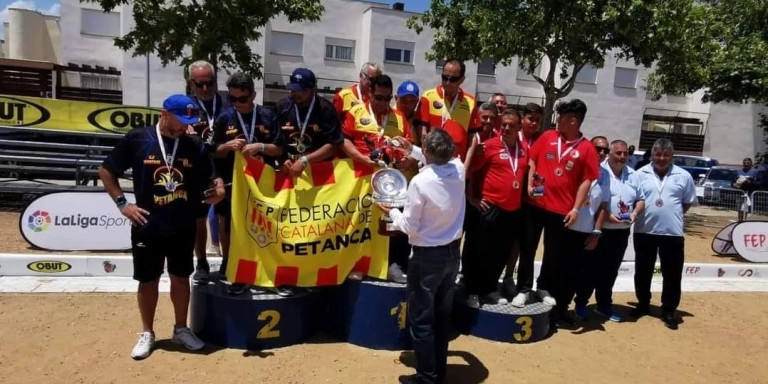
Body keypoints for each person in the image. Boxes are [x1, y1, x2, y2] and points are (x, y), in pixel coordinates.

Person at [98, 94, 225, 360]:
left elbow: (212, 176)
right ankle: (147, 332)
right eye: (182, 120)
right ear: (164, 114)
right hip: (148, 224)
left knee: (181, 277)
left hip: (182, 223)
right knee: (148, 280)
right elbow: (107, 171)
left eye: (190, 122)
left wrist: (219, 188)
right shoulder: (138, 138)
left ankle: (181, 328)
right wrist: (123, 204)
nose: (186, 127)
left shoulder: (194, 144)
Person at [376, 129, 464, 384]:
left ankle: (427, 377)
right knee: (441, 316)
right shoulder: (459, 170)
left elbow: (408, 227)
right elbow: (444, 158)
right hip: (451, 254)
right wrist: (412, 150)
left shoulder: (420, 182)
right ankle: (438, 371)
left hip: (426, 257)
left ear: (427, 152)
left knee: (422, 320)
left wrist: (391, 211)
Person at [524, 99, 599, 327]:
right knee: (528, 247)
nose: (558, 121)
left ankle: (544, 287)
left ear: (573, 120)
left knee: (553, 253)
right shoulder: (548, 136)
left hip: (561, 210)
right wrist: (529, 184)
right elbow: (532, 160)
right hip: (535, 204)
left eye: (562, 117)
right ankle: (524, 288)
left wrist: (576, 208)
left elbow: (587, 180)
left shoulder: (587, 148)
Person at [340, 74, 415, 283]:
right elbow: (344, 141)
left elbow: (409, 146)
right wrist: (363, 159)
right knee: (361, 225)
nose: (383, 103)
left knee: (392, 225)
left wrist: (409, 160)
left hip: (391, 183)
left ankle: (393, 265)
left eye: (387, 98)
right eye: (379, 97)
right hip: (361, 181)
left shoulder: (399, 117)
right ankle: (359, 264)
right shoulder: (355, 112)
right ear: (370, 93)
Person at [210, 72, 282, 283]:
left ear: (253, 95)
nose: (237, 104)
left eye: (242, 99)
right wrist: (227, 146)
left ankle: (263, 263)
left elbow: (280, 148)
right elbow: (214, 150)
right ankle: (227, 261)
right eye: (232, 99)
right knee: (227, 223)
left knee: (263, 224)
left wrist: (261, 146)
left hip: (261, 182)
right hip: (232, 179)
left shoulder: (268, 116)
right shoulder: (225, 117)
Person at [463, 109, 527, 308]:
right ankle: (472, 290)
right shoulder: (489, 146)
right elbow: (472, 171)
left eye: (511, 125)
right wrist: (472, 197)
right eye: (504, 124)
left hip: (512, 211)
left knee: (501, 253)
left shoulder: (524, 149)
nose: (506, 128)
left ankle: (489, 288)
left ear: (519, 128)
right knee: (480, 250)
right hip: (490, 206)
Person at [631, 138, 697, 330]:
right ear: (652, 155)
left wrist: (670, 214)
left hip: (672, 233)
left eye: (666, 154)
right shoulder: (639, 174)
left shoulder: (683, 176)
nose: (661, 158)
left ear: (672, 156)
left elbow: (687, 202)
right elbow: (634, 199)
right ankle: (643, 303)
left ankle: (669, 309)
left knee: (672, 274)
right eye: (658, 154)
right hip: (645, 230)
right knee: (642, 271)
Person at [576, 139, 644, 322]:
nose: (622, 157)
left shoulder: (634, 175)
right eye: (618, 153)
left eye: (625, 154)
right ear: (611, 154)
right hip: (599, 229)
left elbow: (641, 199)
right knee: (589, 269)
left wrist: (635, 213)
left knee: (611, 270)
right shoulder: (601, 172)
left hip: (621, 232)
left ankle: (604, 305)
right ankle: (581, 303)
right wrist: (606, 217)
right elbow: (598, 202)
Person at [186, 60, 226, 282]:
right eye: (199, 84)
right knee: (198, 217)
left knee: (225, 216)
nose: (205, 88)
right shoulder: (185, 106)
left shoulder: (227, 102)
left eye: (209, 83)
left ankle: (228, 261)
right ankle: (201, 261)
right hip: (198, 168)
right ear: (191, 83)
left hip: (225, 165)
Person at [503, 102, 542, 301]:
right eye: (530, 119)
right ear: (522, 119)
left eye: (537, 120)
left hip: (528, 202)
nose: (533, 123)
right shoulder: (511, 136)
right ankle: (499, 278)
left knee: (522, 243)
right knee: (504, 242)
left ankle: (516, 281)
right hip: (507, 199)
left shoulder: (541, 141)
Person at [569, 136, 611, 321]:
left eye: (605, 150)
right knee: (563, 271)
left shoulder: (605, 175)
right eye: (598, 148)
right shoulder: (576, 167)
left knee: (585, 272)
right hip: (568, 228)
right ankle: (558, 309)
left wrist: (596, 232)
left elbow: (603, 206)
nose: (601, 153)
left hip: (587, 231)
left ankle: (579, 305)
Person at [276, 68, 344, 177]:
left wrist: (304, 160)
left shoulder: (325, 109)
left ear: (313, 90)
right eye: (293, 90)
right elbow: (276, 141)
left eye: (301, 91)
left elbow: (332, 146)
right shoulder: (282, 107)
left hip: (319, 172)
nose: (295, 94)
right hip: (289, 170)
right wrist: (282, 160)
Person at [415, 59, 481, 160]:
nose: (447, 82)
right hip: (433, 161)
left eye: (453, 79)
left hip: (457, 162)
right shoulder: (428, 97)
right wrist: (429, 160)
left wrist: (466, 167)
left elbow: (472, 138)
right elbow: (423, 133)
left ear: (462, 80)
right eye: (444, 78)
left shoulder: (470, 101)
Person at [396, 80, 421, 145]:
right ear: (396, 98)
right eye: (403, 100)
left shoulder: (419, 121)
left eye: (412, 101)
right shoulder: (388, 116)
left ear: (417, 102)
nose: (407, 105)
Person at [735, 157, 759, 221]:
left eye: (748, 163)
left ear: (751, 164)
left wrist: (750, 182)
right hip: (740, 192)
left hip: (750, 193)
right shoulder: (738, 171)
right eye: (744, 163)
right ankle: (739, 221)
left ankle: (745, 222)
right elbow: (733, 181)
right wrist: (734, 184)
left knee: (747, 208)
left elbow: (759, 183)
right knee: (740, 208)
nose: (746, 164)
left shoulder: (755, 172)